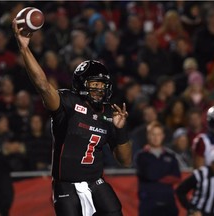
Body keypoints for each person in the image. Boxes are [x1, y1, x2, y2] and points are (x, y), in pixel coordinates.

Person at [12, 18, 132, 216]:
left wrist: (120, 130)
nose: (99, 90)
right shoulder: (68, 102)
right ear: (82, 85)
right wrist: (25, 49)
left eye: (102, 85)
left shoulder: (110, 113)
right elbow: (42, 85)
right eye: (94, 85)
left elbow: (126, 161)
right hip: (66, 184)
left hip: (96, 182)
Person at [135, 121, 181, 216]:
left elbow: (176, 176)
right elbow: (149, 174)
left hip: (168, 202)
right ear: (148, 136)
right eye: (153, 134)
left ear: (163, 136)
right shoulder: (141, 156)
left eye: (159, 134)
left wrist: (156, 173)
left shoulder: (170, 156)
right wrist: (165, 173)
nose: (156, 138)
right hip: (148, 202)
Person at [176, 148, 214, 216]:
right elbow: (180, 191)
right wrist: (191, 209)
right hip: (199, 213)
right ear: (211, 164)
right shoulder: (200, 175)